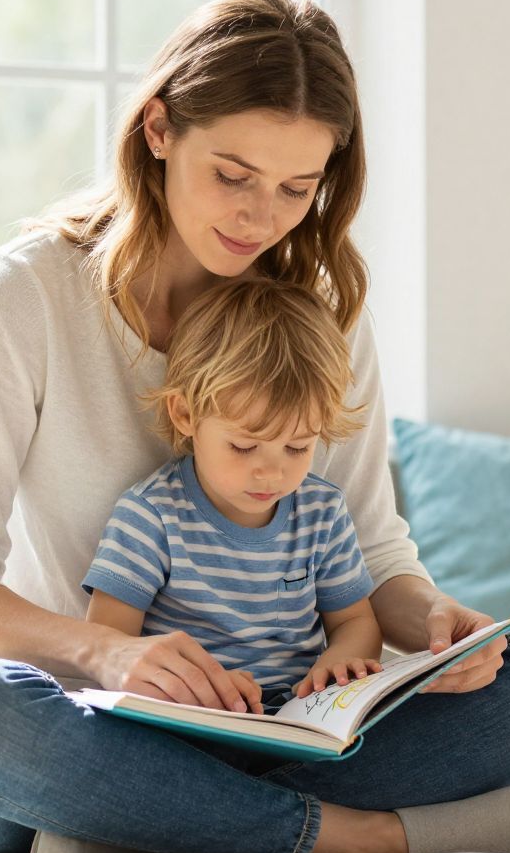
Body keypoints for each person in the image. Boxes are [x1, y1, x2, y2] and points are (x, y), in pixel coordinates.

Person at [0, 0, 510, 853]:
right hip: (82, 716)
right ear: (159, 130)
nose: (258, 216)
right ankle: (364, 839)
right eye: (232, 175)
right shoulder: (28, 294)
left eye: (295, 188)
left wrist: (432, 626)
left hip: (285, 721)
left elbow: (371, 541)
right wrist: (110, 652)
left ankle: (146, 826)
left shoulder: (318, 307)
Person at [82, 277, 389, 712]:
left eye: (298, 447)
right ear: (186, 414)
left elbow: (356, 620)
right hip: (191, 718)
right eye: (244, 447)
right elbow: (111, 642)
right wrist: (195, 685)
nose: (272, 471)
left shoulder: (322, 512)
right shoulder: (151, 516)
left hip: (297, 716)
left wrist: (341, 661)